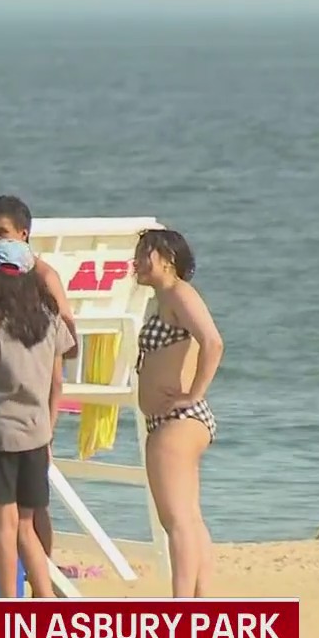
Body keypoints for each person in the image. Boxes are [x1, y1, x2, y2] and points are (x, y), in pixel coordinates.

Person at [0, 240, 74, 598]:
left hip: (1, 435)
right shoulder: (50, 318)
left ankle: (8, 607)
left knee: (4, 528)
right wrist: (49, 432)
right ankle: (46, 599)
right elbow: (57, 381)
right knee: (26, 527)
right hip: (37, 435)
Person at [0, 195, 77, 556]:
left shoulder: (43, 277)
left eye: (1, 232)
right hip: (9, 410)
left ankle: (40, 583)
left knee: (32, 510)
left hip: (34, 408)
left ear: (23, 234)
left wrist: (49, 427)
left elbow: (67, 345)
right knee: (16, 512)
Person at [132, 229, 222, 598]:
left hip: (178, 421)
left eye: (142, 254)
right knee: (189, 519)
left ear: (167, 257)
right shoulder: (162, 299)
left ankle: (182, 610)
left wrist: (193, 394)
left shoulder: (178, 293)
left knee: (178, 522)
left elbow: (213, 342)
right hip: (173, 421)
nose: (135, 262)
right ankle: (202, 606)